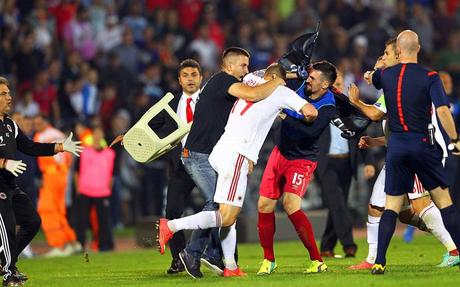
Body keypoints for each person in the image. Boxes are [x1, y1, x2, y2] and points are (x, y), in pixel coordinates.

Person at [157, 62, 317, 277]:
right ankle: (172, 226)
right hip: (238, 155)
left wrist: (292, 73)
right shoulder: (282, 92)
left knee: (226, 210)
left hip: (220, 151)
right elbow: (311, 111)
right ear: (279, 79)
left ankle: (231, 267)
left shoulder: (250, 79)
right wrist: (295, 112)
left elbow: (268, 72)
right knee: (227, 216)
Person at [348, 38, 460, 270]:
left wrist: (355, 100)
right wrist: (375, 142)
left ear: (398, 54)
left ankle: (454, 249)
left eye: (385, 54)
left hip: (419, 149)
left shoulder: (394, 80)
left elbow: (375, 114)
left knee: (416, 206)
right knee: (385, 209)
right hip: (403, 149)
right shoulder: (400, 80)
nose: (382, 58)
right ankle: (372, 260)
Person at [256, 61, 339, 275]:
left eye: (313, 78)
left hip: (302, 160)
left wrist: (283, 112)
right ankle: (268, 260)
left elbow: (307, 133)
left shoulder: (328, 107)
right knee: (264, 205)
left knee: (291, 204)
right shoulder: (304, 87)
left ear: (325, 85)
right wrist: (296, 74)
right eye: (308, 76)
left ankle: (316, 260)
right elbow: (276, 75)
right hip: (280, 153)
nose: (308, 80)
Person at [0, 76, 83, 286]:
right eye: (3, 94)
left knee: (32, 221)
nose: (9, 97)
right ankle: (9, 273)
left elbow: (30, 147)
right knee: (7, 227)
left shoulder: (10, 125)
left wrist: (60, 147)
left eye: (9, 93)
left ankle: (5, 262)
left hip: (9, 185)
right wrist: (3, 164)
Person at [150, 59, 207, 274]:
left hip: (207, 165)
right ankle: (179, 259)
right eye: (186, 75)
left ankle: (226, 258)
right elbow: (150, 125)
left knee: (221, 210)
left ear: (201, 78)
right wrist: (129, 135)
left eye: (194, 74)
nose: (190, 79)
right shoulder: (170, 103)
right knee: (172, 211)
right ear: (179, 80)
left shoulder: (210, 101)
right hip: (180, 166)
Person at [315, 72, 375, 259]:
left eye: (339, 83)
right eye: (334, 84)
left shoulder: (347, 108)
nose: (337, 87)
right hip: (326, 163)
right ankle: (349, 245)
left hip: (346, 163)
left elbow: (360, 135)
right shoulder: (318, 106)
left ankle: (326, 246)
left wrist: (369, 161)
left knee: (337, 205)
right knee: (339, 203)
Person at [33, 113, 82, 257]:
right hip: (62, 175)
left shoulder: (41, 136)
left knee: (46, 209)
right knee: (59, 211)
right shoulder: (58, 133)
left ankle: (58, 246)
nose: (36, 126)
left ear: (45, 121)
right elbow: (70, 156)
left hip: (51, 175)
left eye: (38, 122)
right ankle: (72, 243)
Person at [75, 124, 115, 252]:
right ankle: (80, 244)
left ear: (102, 135)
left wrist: (109, 188)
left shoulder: (110, 153)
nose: (97, 136)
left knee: (103, 221)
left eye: (99, 133)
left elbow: (113, 173)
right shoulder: (84, 151)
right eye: (95, 133)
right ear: (92, 136)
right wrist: (77, 187)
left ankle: (105, 245)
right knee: (82, 220)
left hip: (102, 191)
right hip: (85, 189)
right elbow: (76, 171)